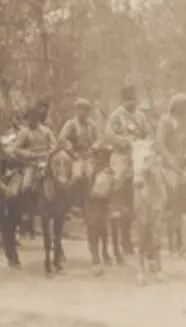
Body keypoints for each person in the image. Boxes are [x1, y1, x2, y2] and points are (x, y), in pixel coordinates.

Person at [105, 84, 153, 260]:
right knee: (118, 177)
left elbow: (149, 132)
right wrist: (124, 141)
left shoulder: (140, 116)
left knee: (152, 174)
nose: (132, 104)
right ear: (123, 100)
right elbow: (109, 134)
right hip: (123, 153)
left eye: (134, 100)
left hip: (138, 152)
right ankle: (115, 206)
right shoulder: (116, 116)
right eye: (129, 101)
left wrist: (145, 142)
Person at [12, 105, 56, 195]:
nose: (31, 120)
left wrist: (49, 152)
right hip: (31, 163)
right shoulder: (24, 132)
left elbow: (54, 144)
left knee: (59, 180)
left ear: (38, 118)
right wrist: (29, 154)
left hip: (46, 160)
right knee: (26, 186)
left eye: (34, 117)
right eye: (29, 118)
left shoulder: (46, 131)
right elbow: (15, 148)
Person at [58, 98, 99, 183]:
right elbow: (62, 138)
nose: (83, 112)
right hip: (74, 155)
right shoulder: (71, 124)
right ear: (77, 110)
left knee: (90, 176)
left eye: (86, 110)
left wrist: (94, 147)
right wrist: (70, 147)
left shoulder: (91, 124)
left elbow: (99, 138)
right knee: (77, 176)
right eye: (81, 109)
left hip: (88, 155)